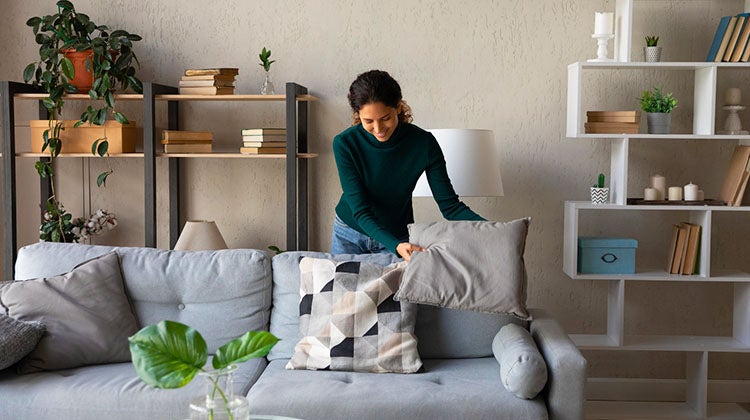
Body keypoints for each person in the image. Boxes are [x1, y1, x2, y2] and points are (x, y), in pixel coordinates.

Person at [331, 69, 485, 261]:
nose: (378, 129)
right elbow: (361, 211)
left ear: (398, 107)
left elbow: (450, 207)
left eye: (385, 118)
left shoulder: (423, 143)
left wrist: (495, 229)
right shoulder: (345, 144)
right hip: (349, 233)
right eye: (368, 121)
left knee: (396, 292)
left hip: (397, 236)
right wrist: (395, 245)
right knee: (341, 292)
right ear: (358, 115)